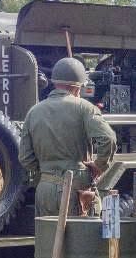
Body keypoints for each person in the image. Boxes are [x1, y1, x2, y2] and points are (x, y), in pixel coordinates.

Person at [19, 57, 117, 216]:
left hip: (44, 190)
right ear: (79, 86)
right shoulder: (85, 108)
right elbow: (108, 139)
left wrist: (45, 174)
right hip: (76, 190)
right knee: (81, 233)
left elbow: (25, 157)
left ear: (54, 82)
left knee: (47, 233)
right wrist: (99, 166)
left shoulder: (33, 112)